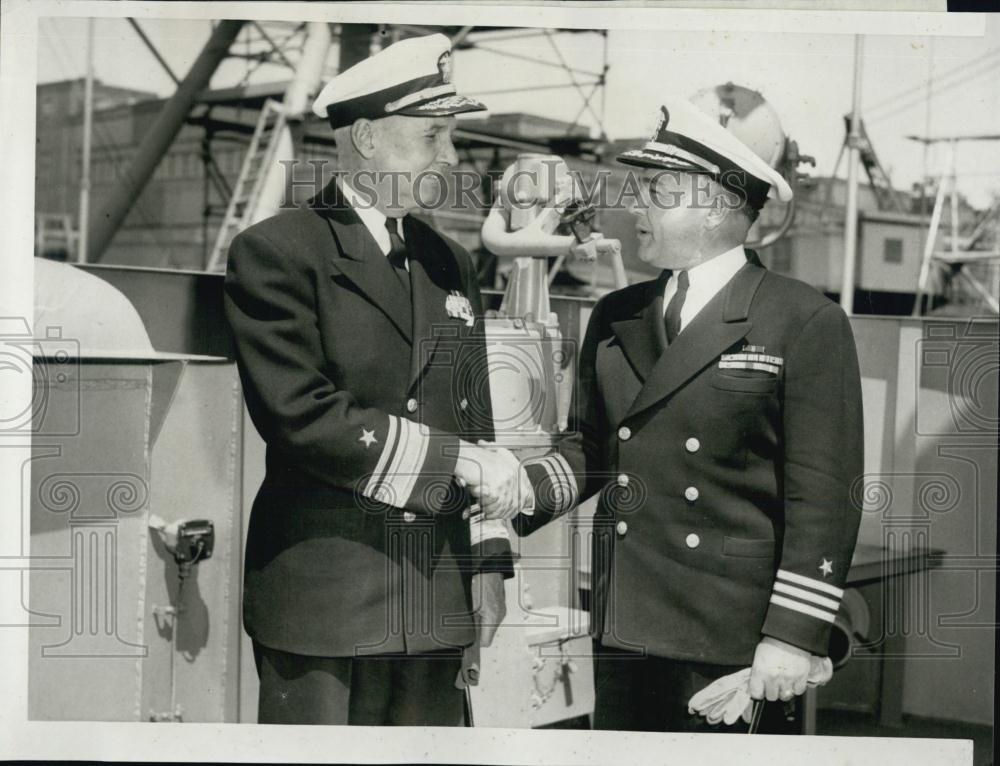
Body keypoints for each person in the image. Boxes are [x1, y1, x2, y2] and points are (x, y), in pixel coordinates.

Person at [514, 96, 864, 732]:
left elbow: (826, 502)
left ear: (714, 207)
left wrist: (790, 638)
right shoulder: (616, 316)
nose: (634, 204)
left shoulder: (801, 321)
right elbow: (589, 450)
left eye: (657, 189)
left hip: (731, 645)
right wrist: (517, 487)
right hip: (624, 626)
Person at [224, 33, 530, 726]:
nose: (451, 158)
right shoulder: (279, 254)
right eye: (434, 136)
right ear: (364, 137)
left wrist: (487, 569)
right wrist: (460, 462)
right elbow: (301, 414)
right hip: (326, 604)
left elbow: (470, 418)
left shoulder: (450, 261)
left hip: (434, 601)